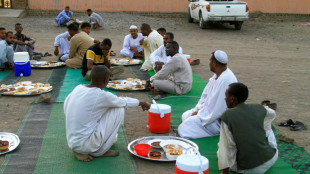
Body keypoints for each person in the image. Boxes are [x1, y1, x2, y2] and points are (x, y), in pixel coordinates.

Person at [65, 65, 150, 162]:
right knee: (119, 108)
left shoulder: (78, 88)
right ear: (106, 79)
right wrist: (142, 103)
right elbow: (123, 102)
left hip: (73, 142)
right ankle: (101, 151)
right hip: (86, 144)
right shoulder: (100, 95)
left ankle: (80, 150)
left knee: (108, 106)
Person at [218, 83, 278, 174]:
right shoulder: (258, 107)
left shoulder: (227, 116)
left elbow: (227, 146)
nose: (224, 98)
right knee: (267, 129)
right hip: (271, 158)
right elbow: (272, 113)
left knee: (220, 151)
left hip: (250, 169)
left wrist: (224, 171)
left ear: (233, 99)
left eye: (226, 96)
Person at [178, 50, 237, 139]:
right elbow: (205, 97)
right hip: (207, 112)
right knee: (185, 115)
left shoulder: (225, 79)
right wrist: (198, 109)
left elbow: (218, 109)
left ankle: (216, 131)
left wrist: (199, 113)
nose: (209, 63)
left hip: (218, 120)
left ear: (214, 63)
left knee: (184, 128)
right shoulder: (218, 75)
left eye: (210, 61)